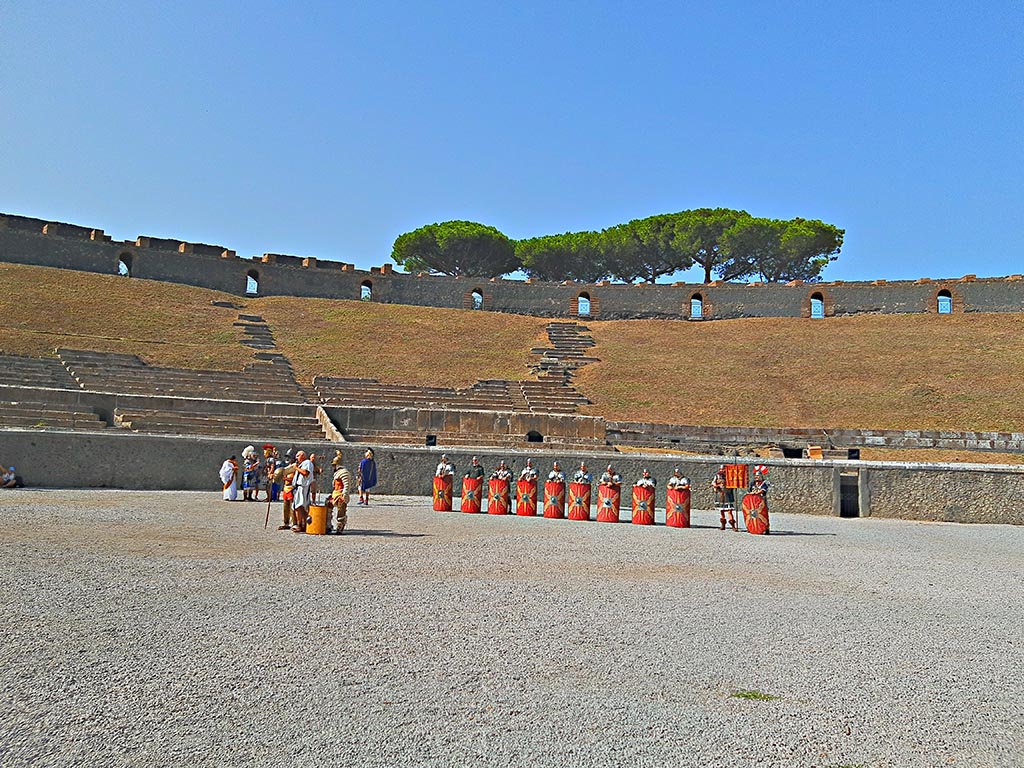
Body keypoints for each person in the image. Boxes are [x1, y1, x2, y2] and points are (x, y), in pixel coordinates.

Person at [327, 451, 354, 534]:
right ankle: (328, 525)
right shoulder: (337, 473)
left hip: (340, 494)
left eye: (334, 465)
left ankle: (340, 527)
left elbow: (346, 485)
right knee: (328, 506)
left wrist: (344, 495)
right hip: (335, 493)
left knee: (341, 511)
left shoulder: (344, 473)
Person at [291, 450, 315, 532]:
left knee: (300, 506)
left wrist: (296, 468)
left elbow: (305, 473)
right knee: (299, 506)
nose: (296, 458)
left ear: (303, 456)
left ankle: (300, 524)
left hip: (303, 487)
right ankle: (302, 524)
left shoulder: (307, 463)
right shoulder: (302, 464)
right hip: (299, 487)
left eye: (298, 456)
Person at [712, 465, 737, 531]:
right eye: (721, 469)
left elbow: (733, 484)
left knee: (729, 511)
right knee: (722, 511)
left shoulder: (729, 476)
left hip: (728, 494)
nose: (722, 470)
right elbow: (713, 483)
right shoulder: (717, 476)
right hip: (720, 494)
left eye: (723, 469)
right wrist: (716, 485)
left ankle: (733, 526)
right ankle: (723, 525)